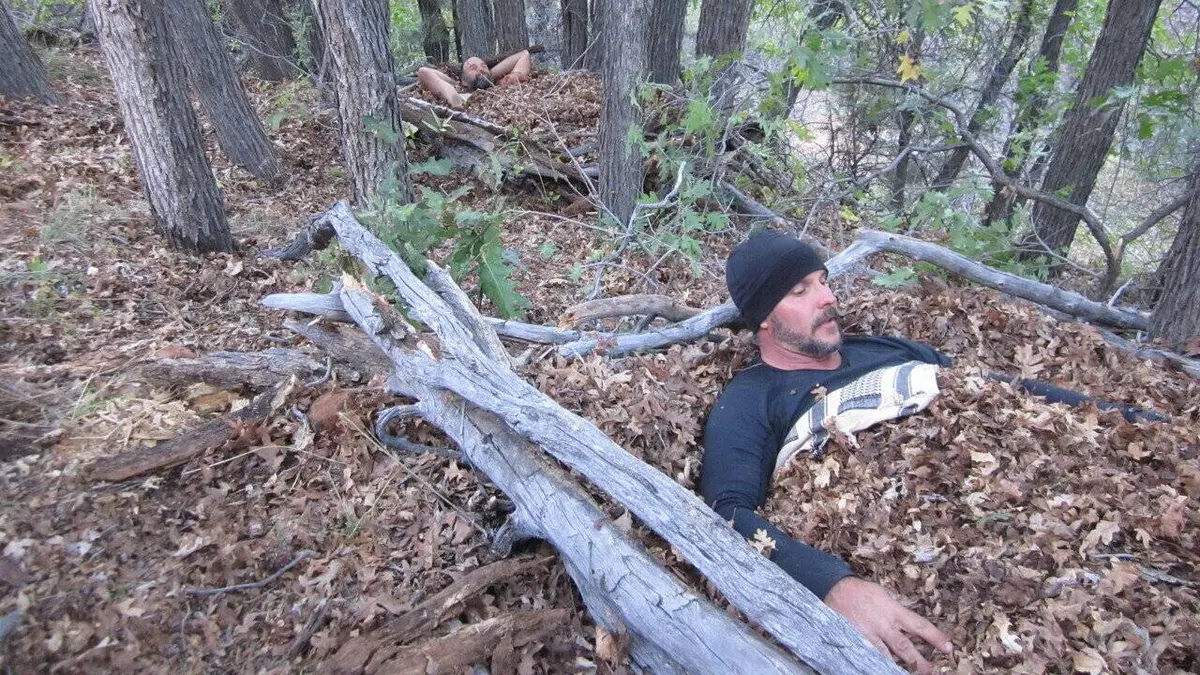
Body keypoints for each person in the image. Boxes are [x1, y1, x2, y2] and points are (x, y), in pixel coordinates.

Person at [700, 229, 1163, 673]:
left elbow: (999, 390)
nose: (827, 298)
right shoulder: (750, 400)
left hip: (1054, 505)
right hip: (943, 565)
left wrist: (1130, 419)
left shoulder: (888, 349)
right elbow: (727, 512)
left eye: (823, 281)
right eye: (800, 291)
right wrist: (832, 584)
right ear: (764, 316)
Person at [416, 50, 531, 109]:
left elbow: (524, 55)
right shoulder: (461, 94)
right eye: (473, 68)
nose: (480, 69)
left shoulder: (501, 83)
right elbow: (424, 72)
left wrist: (515, 74)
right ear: (464, 81)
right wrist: (454, 94)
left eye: (483, 66)